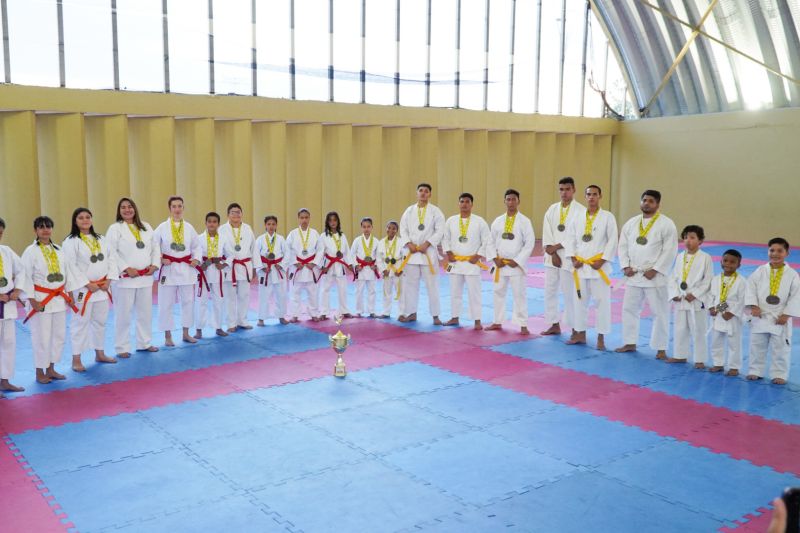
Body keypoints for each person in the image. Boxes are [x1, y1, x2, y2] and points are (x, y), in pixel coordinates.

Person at [615, 190, 678, 359]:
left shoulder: (666, 224)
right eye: (644, 200)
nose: (646, 203)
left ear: (658, 204)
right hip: (634, 274)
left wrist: (656, 269)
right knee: (629, 309)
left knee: (660, 312)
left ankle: (661, 348)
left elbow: (670, 249)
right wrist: (625, 266)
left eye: (651, 201)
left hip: (655, 276)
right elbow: (622, 246)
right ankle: (629, 342)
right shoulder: (631, 223)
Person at [21, 216, 80, 384]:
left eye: (48, 226)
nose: (45, 229)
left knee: (58, 336)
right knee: (41, 337)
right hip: (41, 301)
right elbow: (25, 277)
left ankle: (51, 368)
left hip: (59, 299)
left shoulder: (59, 250)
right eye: (41, 227)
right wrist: (31, 300)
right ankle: (39, 371)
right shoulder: (30, 252)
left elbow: (68, 274)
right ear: (35, 231)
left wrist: (71, 295)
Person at [62, 208, 118, 372]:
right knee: (80, 323)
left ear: (92, 220)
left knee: (100, 322)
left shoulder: (101, 239)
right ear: (75, 221)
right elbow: (70, 266)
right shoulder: (70, 241)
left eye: (88, 217)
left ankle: (99, 353)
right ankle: (76, 359)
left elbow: (111, 259)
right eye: (81, 218)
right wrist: (87, 284)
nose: (85, 220)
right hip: (83, 289)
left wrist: (109, 280)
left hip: (101, 288)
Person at [563, 185, 618, 350]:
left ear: (600, 196)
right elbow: (570, 239)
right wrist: (573, 258)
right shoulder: (577, 217)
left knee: (602, 302)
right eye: (588, 194)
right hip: (580, 267)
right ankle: (580, 334)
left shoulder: (608, 217)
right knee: (579, 301)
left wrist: (603, 260)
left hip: (597, 267)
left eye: (595, 194)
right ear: (585, 197)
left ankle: (601, 337)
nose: (591, 197)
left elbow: (612, 240)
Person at [106, 197, 160, 358]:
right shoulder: (115, 229)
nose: (127, 210)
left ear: (135, 209)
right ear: (119, 211)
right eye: (123, 207)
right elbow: (111, 251)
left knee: (145, 312)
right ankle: (122, 347)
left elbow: (155, 247)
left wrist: (154, 264)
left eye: (130, 207)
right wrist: (125, 268)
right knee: (123, 314)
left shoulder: (146, 227)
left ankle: (145, 342)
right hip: (125, 280)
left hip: (144, 277)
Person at [745, 237, 800, 385]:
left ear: (787, 253)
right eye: (772, 250)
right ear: (767, 251)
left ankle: (779, 373)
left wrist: (787, 314)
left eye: (780, 251)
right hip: (761, 314)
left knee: (781, 347)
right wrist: (753, 305)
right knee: (756, 345)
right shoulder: (760, 271)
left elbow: (796, 296)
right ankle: (755, 370)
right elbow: (750, 288)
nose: (775, 254)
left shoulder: (792, 274)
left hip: (779, 316)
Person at [485, 189, 535, 335]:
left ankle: (523, 324)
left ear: (518, 201)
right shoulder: (498, 221)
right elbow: (490, 242)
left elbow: (529, 243)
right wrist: (495, 259)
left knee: (519, 294)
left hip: (515, 265)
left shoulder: (525, 221)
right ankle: (497, 321)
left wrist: (518, 260)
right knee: (497, 292)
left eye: (514, 199)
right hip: (500, 264)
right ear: (504, 201)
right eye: (508, 199)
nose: (511, 202)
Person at [153, 196, 201, 346]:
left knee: (188, 301)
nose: (177, 209)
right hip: (169, 269)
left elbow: (196, 246)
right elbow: (153, 247)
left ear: (183, 208)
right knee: (165, 303)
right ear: (170, 209)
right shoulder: (161, 228)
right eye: (174, 206)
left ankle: (186, 333)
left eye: (180, 206)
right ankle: (168, 336)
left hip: (186, 268)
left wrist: (197, 259)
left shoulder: (189, 228)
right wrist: (160, 259)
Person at [541, 177, 585, 338]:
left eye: (567, 189)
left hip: (568, 256)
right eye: (561, 189)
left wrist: (557, 249)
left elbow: (575, 235)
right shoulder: (552, 209)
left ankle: (575, 327)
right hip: (551, 256)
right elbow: (547, 231)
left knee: (569, 292)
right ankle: (554, 324)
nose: (564, 192)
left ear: (574, 190)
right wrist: (551, 252)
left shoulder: (580, 210)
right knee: (549, 291)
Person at [398, 183, 445, 325]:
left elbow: (440, 230)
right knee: (410, 285)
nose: (423, 193)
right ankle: (411, 313)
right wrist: (408, 243)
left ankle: (435, 315)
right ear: (417, 193)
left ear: (430, 194)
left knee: (432, 285)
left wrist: (428, 243)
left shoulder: (436, 211)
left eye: (426, 191)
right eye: (421, 191)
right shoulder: (409, 211)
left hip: (428, 252)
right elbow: (403, 229)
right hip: (412, 253)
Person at [442, 193, 491, 330]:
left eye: (467, 202)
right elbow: (445, 238)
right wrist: (448, 252)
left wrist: (479, 255)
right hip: (455, 262)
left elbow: (487, 240)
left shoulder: (479, 221)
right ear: (458, 204)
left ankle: (477, 320)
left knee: (474, 293)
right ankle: (454, 317)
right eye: (462, 201)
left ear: (472, 204)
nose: (464, 204)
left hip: (472, 263)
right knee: (454, 292)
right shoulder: (451, 221)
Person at [667, 225, 713, 367]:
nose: (688, 240)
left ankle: (700, 359)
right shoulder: (680, 256)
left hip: (696, 301)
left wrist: (695, 294)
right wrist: (674, 293)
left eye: (692, 237)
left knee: (698, 330)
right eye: (685, 237)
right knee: (680, 329)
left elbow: (708, 280)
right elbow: (674, 277)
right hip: (681, 299)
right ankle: (680, 355)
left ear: (700, 241)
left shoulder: (706, 258)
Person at [219, 203, 256, 332]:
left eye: (238, 212)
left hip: (245, 265)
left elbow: (254, 248)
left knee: (244, 295)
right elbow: (219, 249)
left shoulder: (247, 228)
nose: (236, 214)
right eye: (233, 212)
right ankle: (231, 323)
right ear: (228, 215)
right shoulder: (222, 229)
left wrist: (255, 267)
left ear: (242, 214)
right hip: (230, 267)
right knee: (230, 296)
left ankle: (243, 321)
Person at [708, 249, 745, 376]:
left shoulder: (742, 281)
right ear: (721, 262)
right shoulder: (715, 279)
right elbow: (710, 296)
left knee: (734, 342)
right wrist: (711, 307)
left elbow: (742, 300)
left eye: (732, 262)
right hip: (718, 313)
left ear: (738, 265)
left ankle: (734, 367)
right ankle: (718, 363)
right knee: (715, 340)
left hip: (732, 316)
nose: (728, 264)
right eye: (725, 261)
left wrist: (732, 312)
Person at [195, 212, 233, 338]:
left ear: (218, 224)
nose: (212, 224)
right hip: (204, 272)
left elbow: (230, 255)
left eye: (214, 221)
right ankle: (199, 329)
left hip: (217, 272)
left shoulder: (223, 238)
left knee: (218, 300)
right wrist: (202, 264)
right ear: (205, 223)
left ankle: (218, 327)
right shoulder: (199, 238)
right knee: (201, 301)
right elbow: (195, 255)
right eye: (209, 221)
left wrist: (223, 264)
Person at [0, 217, 26, 395]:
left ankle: (5, 380)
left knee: (9, 343)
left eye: (0, 233)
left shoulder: (6, 251)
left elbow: (21, 269)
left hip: (7, 304)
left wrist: (17, 290)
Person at [286, 208, 321, 322]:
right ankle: (295, 314)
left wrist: (315, 262)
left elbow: (320, 250)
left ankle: (314, 313)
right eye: (302, 218)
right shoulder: (293, 234)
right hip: (298, 268)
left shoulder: (315, 233)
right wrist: (295, 262)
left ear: (309, 218)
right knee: (294, 292)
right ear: (298, 219)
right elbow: (288, 250)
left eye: (306, 217)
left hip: (311, 267)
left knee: (313, 292)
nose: (304, 220)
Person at [254, 215, 289, 326]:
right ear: (265, 225)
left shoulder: (281, 239)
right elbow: (255, 255)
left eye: (273, 224)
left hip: (278, 269)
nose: (271, 226)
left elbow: (287, 254)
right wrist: (261, 267)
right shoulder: (260, 239)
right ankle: (261, 318)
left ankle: (281, 316)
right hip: (265, 270)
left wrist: (282, 265)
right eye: (269, 224)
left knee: (281, 294)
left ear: (276, 225)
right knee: (263, 294)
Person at [318, 211, 352, 320]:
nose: (333, 222)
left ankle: (344, 310)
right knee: (325, 289)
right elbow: (320, 252)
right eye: (330, 220)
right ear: (327, 222)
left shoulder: (342, 236)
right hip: (328, 265)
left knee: (343, 288)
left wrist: (350, 264)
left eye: (335, 220)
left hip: (340, 265)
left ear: (338, 222)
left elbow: (347, 251)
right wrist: (320, 265)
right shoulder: (323, 236)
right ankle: (323, 312)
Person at [350, 217, 381, 318]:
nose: (366, 229)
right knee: (359, 290)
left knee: (372, 290)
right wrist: (356, 265)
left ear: (372, 227)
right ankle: (359, 310)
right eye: (364, 227)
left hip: (371, 269)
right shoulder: (357, 240)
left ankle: (371, 311)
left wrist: (376, 265)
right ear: (361, 228)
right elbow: (352, 254)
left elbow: (378, 255)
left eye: (368, 227)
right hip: (361, 268)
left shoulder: (376, 241)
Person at [377, 220, 405, 319]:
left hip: (397, 270)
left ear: (397, 230)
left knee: (400, 292)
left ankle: (402, 313)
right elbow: (379, 258)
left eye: (394, 228)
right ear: (386, 229)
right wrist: (382, 270)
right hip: (387, 271)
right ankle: (386, 312)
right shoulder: (381, 242)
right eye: (389, 228)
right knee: (386, 292)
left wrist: (401, 269)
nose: (391, 230)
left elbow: (405, 257)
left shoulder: (401, 242)